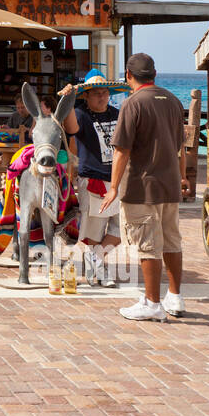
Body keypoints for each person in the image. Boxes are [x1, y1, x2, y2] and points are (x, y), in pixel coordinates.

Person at [102, 53, 188, 321]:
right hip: (170, 184)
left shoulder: (132, 103)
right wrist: (183, 177)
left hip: (142, 186)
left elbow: (121, 150)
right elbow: (180, 147)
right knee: (172, 241)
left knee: (147, 244)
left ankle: (152, 303)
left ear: (128, 75)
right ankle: (174, 296)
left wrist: (114, 187)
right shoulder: (173, 101)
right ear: (155, 74)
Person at [61, 69, 128, 288]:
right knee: (93, 233)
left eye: (105, 92)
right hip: (93, 181)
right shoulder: (80, 114)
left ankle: (96, 261)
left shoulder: (117, 114)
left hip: (117, 180)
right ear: (87, 96)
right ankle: (98, 270)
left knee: (121, 231)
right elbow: (70, 128)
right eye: (96, 93)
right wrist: (68, 99)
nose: (101, 96)